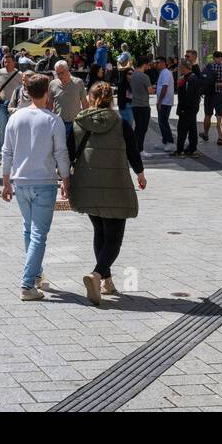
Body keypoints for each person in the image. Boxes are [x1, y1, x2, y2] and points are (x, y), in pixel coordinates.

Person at [67, 81, 146, 306]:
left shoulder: (78, 123)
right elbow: (133, 152)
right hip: (116, 185)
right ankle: (97, 274)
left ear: (90, 98)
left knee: (100, 231)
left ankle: (106, 281)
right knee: (114, 237)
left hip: (87, 186)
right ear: (111, 99)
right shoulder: (121, 124)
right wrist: (140, 174)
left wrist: (64, 179)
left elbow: (69, 152)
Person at [1, 74, 70, 301]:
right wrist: (66, 179)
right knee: (38, 234)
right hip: (44, 182)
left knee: (29, 230)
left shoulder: (15, 118)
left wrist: (5, 182)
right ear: (47, 93)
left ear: (27, 92)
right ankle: (27, 284)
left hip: (20, 182)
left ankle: (37, 273)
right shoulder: (53, 120)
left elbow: (7, 152)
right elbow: (61, 153)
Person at [0, 53, 22, 150]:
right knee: (1, 129)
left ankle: (13, 152)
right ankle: (3, 152)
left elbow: (25, 88)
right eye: (5, 62)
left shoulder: (20, 75)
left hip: (14, 106)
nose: (6, 64)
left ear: (14, 62)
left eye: (9, 62)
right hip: (1, 104)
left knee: (13, 129)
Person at [201, 51, 222, 145]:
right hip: (220, 95)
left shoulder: (209, 67)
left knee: (208, 115)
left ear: (213, 58)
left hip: (209, 94)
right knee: (219, 116)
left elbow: (202, 77)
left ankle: (206, 134)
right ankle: (220, 137)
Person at [171, 60, 202, 157]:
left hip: (187, 109)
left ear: (184, 67)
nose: (179, 69)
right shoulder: (192, 78)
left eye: (180, 67)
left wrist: (183, 108)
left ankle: (180, 151)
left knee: (182, 130)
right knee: (192, 129)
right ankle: (193, 150)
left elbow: (188, 96)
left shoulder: (189, 79)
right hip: (193, 109)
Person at [49, 60, 86, 134]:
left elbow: (85, 103)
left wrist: (86, 120)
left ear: (68, 69)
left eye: (62, 73)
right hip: (59, 123)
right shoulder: (53, 84)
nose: (60, 76)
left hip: (75, 123)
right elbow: (49, 104)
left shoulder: (78, 83)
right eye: (57, 74)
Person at [129, 58, 153, 153]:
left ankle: (134, 148)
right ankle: (140, 149)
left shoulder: (132, 75)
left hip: (135, 104)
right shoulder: (144, 77)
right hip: (143, 105)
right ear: (145, 65)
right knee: (142, 129)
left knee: (138, 128)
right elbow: (150, 91)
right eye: (148, 65)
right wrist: (153, 88)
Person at [154, 56, 174, 148]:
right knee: (161, 121)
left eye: (157, 62)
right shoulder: (163, 73)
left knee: (163, 122)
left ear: (163, 63)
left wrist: (160, 101)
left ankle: (170, 142)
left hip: (165, 102)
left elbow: (165, 87)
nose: (156, 64)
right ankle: (165, 141)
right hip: (163, 101)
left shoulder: (165, 73)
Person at [116, 56, 133, 126]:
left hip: (131, 106)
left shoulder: (132, 84)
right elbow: (120, 98)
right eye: (129, 74)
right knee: (127, 125)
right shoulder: (122, 84)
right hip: (125, 106)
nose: (131, 75)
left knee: (129, 124)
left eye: (133, 74)